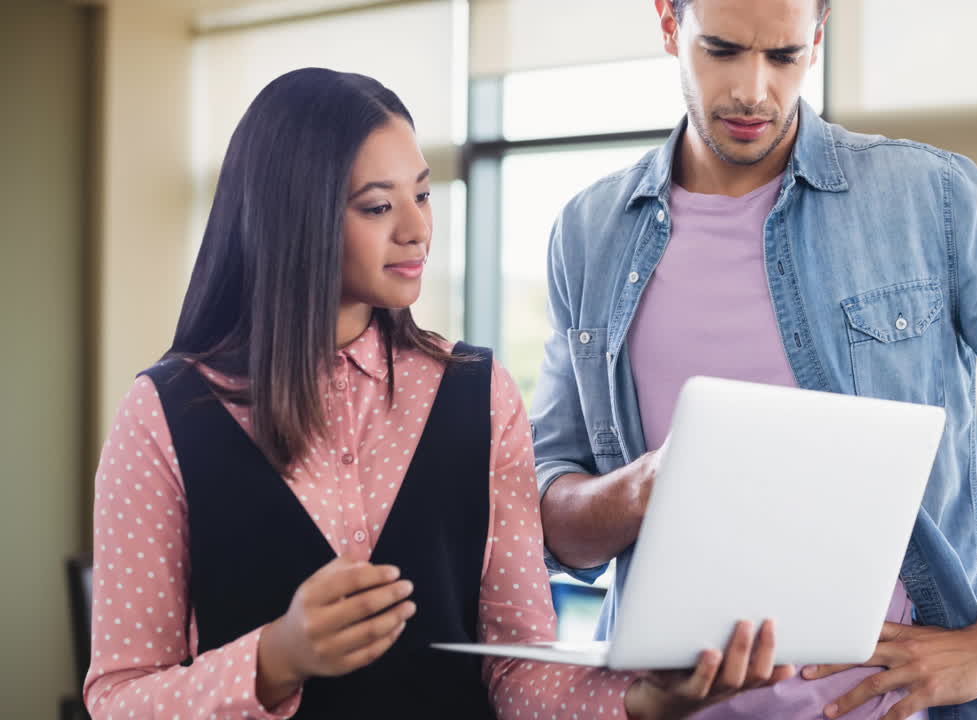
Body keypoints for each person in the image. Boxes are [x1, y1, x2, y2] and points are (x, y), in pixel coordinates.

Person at [529, 2, 977, 719]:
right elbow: (551, 517)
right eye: (722, 49)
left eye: (784, 57)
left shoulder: (927, 199)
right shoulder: (587, 234)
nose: (753, 90)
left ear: (819, 38)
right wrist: (649, 485)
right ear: (668, 24)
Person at [82, 67, 790, 720]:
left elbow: (520, 675)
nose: (418, 228)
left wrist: (654, 703)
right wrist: (273, 661)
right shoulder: (165, 415)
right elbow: (117, 698)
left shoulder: (478, 395)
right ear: (293, 218)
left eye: (422, 194)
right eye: (376, 206)